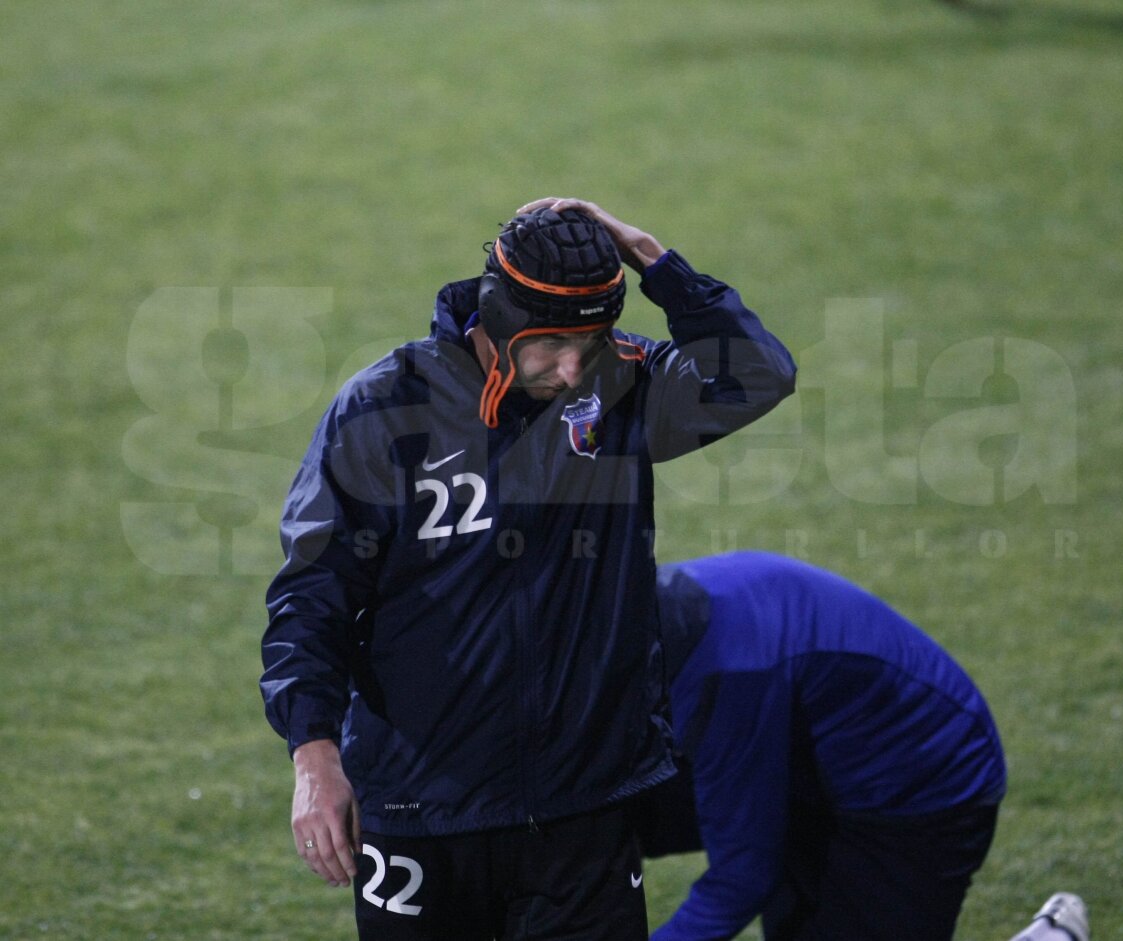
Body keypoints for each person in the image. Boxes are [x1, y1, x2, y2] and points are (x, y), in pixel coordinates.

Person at [259, 199, 797, 940]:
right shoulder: (384, 410)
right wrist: (313, 755)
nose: (573, 366)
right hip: (424, 810)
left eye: (593, 338)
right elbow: (311, 594)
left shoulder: (623, 384)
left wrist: (653, 261)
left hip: (587, 805)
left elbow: (759, 374)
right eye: (550, 341)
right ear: (499, 316)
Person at [635, 551, 1008, 941]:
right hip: (809, 759)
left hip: (920, 788)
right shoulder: (638, 624)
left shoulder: (729, 672)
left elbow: (741, 878)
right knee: (601, 812)